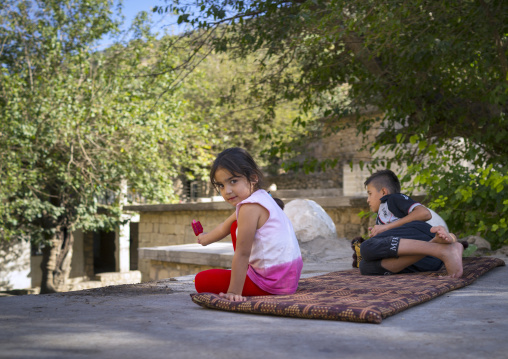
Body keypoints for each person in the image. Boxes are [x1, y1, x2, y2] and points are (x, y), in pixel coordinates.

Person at [194, 147, 303, 301]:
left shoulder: (249, 207)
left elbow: (242, 253)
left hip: (271, 283)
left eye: (233, 181)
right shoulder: (263, 196)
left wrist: (234, 292)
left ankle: (243, 279)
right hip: (288, 277)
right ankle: (245, 273)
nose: (227, 191)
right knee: (234, 226)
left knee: (201, 280)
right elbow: (227, 224)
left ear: (253, 178)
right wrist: (205, 238)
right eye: (221, 186)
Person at [360, 169, 464, 277]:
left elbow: (424, 213)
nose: (368, 200)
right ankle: (441, 249)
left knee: (366, 246)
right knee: (365, 266)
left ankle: (442, 249)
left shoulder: (392, 199)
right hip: (428, 261)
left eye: (370, 194)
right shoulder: (381, 215)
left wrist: (385, 228)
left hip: (420, 234)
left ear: (383, 192)